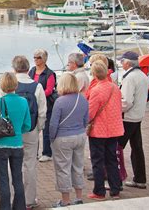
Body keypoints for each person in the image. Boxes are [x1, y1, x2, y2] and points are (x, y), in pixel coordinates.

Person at [0, 55, 46, 208]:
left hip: (10, 133)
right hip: (30, 129)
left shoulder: (6, 84)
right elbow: (43, 111)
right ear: (27, 67)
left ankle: (11, 199)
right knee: (30, 164)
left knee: (11, 166)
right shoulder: (36, 86)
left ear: (14, 68)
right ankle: (29, 199)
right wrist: (39, 128)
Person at [0, 72, 31, 210]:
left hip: (0, 146)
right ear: (16, 85)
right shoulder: (23, 102)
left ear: (2, 86)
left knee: (3, 180)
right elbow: (27, 125)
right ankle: (19, 207)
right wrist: (16, 132)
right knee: (18, 179)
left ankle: (4, 207)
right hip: (17, 144)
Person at [49, 72, 89, 207]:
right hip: (80, 135)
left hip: (63, 137)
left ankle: (65, 200)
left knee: (63, 168)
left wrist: (52, 138)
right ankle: (78, 197)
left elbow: (54, 123)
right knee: (78, 166)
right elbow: (86, 120)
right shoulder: (83, 99)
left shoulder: (60, 101)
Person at [87, 61, 124, 201]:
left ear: (94, 74)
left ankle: (99, 191)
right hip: (114, 128)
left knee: (98, 161)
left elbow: (91, 113)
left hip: (99, 130)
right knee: (112, 160)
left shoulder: (96, 90)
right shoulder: (115, 88)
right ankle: (115, 189)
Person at [118, 51, 149, 189]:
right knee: (137, 148)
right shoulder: (142, 75)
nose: (121, 64)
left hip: (128, 118)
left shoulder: (129, 78)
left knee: (116, 149)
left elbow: (126, 101)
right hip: (138, 116)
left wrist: (118, 111)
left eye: (122, 61)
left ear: (128, 63)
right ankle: (140, 178)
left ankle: (116, 180)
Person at [28, 49, 57, 163]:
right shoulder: (32, 71)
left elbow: (49, 90)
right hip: (33, 104)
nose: (35, 60)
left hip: (46, 104)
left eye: (38, 57)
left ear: (44, 59)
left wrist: (37, 95)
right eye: (34, 57)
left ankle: (47, 153)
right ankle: (34, 152)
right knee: (33, 128)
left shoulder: (49, 74)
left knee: (46, 129)